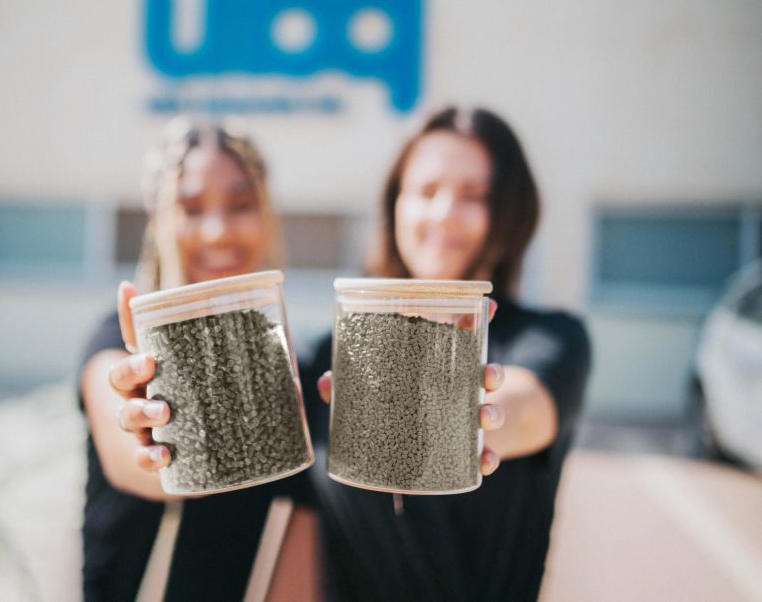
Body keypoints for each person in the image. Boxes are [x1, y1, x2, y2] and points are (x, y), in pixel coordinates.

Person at [82, 116, 507, 601]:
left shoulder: (294, 370)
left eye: (240, 204)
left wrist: (433, 398)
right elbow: (130, 463)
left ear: (266, 213)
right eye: (192, 207)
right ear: (159, 220)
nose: (218, 230)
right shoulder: (118, 352)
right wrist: (153, 436)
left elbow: (302, 544)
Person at [307, 106, 592, 601]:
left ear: (509, 213)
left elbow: (524, 412)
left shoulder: (552, 340)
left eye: (473, 196)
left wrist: (469, 420)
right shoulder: (327, 356)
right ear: (395, 203)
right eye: (425, 191)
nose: (443, 214)